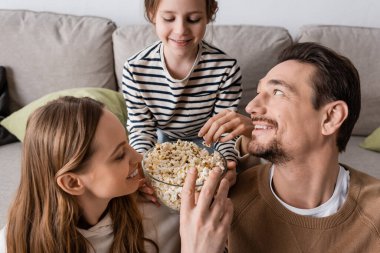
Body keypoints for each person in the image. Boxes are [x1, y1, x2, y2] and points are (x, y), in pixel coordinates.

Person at [199, 42, 380, 252]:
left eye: (277, 92)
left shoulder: (375, 214)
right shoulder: (226, 204)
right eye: (259, 92)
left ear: (331, 117)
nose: (251, 107)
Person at [0, 96, 233, 253]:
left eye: (128, 143)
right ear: (72, 181)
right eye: (119, 155)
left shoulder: (158, 209)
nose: (138, 157)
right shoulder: (14, 242)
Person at [122, 0, 242, 183]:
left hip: (209, 144)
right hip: (161, 142)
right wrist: (140, 165)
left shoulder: (226, 69)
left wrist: (228, 162)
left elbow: (224, 128)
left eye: (193, 19)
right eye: (169, 18)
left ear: (209, 15)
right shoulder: (135, 69)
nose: (180, 30)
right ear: (152, 14)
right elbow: (141, 128)